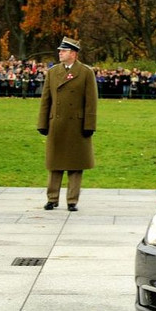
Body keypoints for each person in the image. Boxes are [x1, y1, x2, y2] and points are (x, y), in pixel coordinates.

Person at [37, 37, 98, 211]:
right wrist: (42, 122)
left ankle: (72, 200)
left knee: (75, 165)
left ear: (73, 53)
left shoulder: (85, 72)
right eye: (60, 51)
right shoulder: (53, 72)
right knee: (55, 164)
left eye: (63, 51)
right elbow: (46, 100)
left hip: (77, 126)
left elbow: (91, 102)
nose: (60, 53)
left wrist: (89, 125)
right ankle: (52, 198)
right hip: (57, 124)